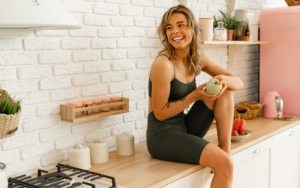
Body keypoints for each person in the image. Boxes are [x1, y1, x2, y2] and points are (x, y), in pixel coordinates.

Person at [146, 4, 244, 188]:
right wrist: (193, 96)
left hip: (185, 127)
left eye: (181, 25)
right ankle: (224, 159)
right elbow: (159, 113)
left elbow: (238, 82)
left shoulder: (197, 58)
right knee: (225, 165)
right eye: (169, 27)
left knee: (225, 88)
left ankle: (225, 149)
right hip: (162, 136)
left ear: (192, 28)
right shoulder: (163, 64)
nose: (175, 31)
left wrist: (223, 80)